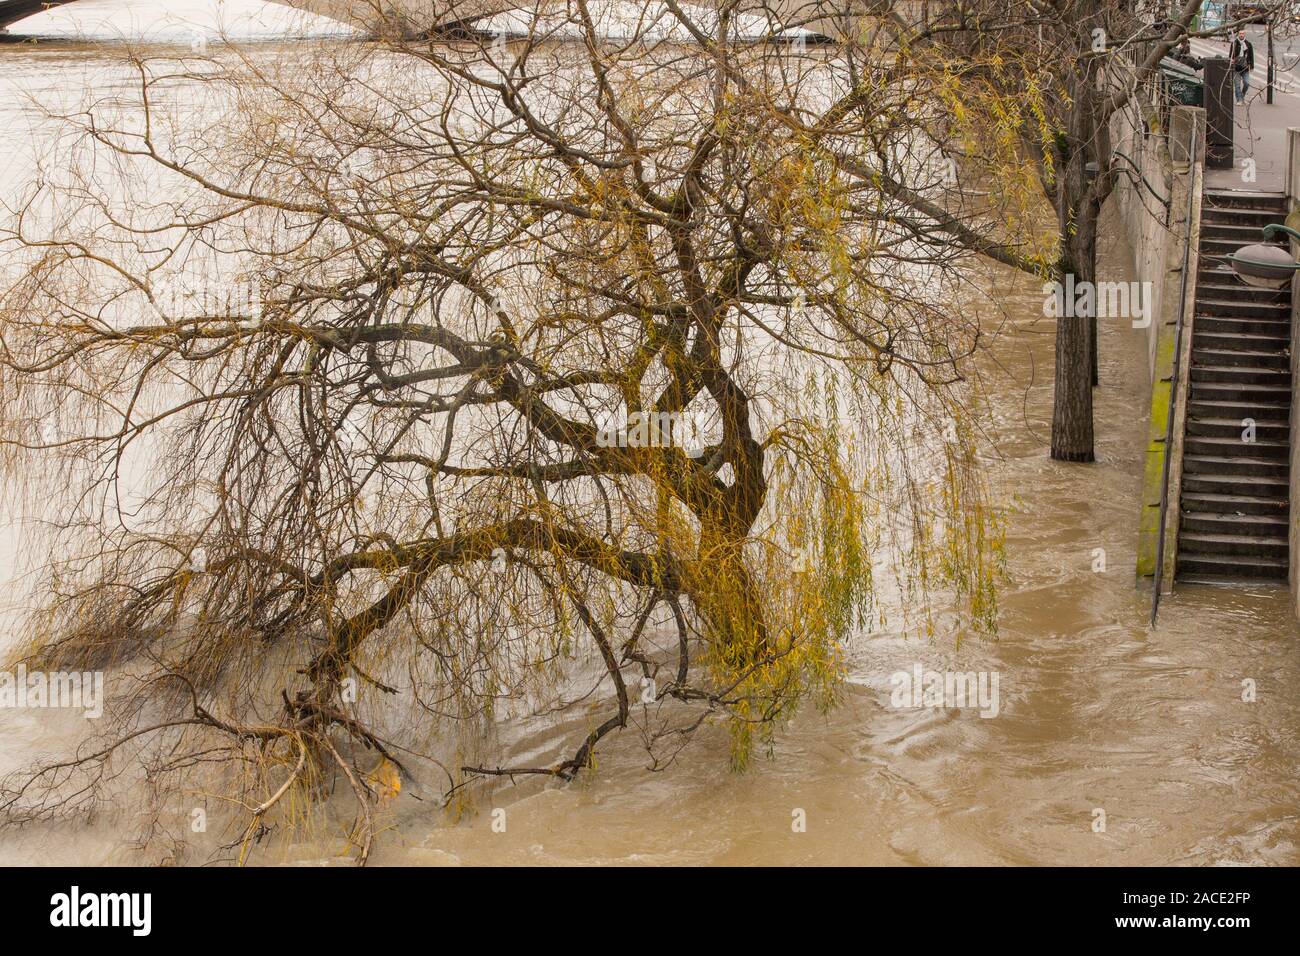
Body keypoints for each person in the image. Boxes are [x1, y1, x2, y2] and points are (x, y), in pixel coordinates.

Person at [1229, 29, 1255, 104]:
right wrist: (1231, 62)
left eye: (1242, 33)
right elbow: (1231, 54)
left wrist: (1252, 66)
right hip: (1236, 67)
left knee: (1246, 83)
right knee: (1237, 85)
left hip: (1245, 67)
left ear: (1244, 35)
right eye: (1240, 33)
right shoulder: (1234, 43)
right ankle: (1239, 100)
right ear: (1238, 34)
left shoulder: (1248, 44)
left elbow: (1251, 55)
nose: (1241, 35)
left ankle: (1242, 96)